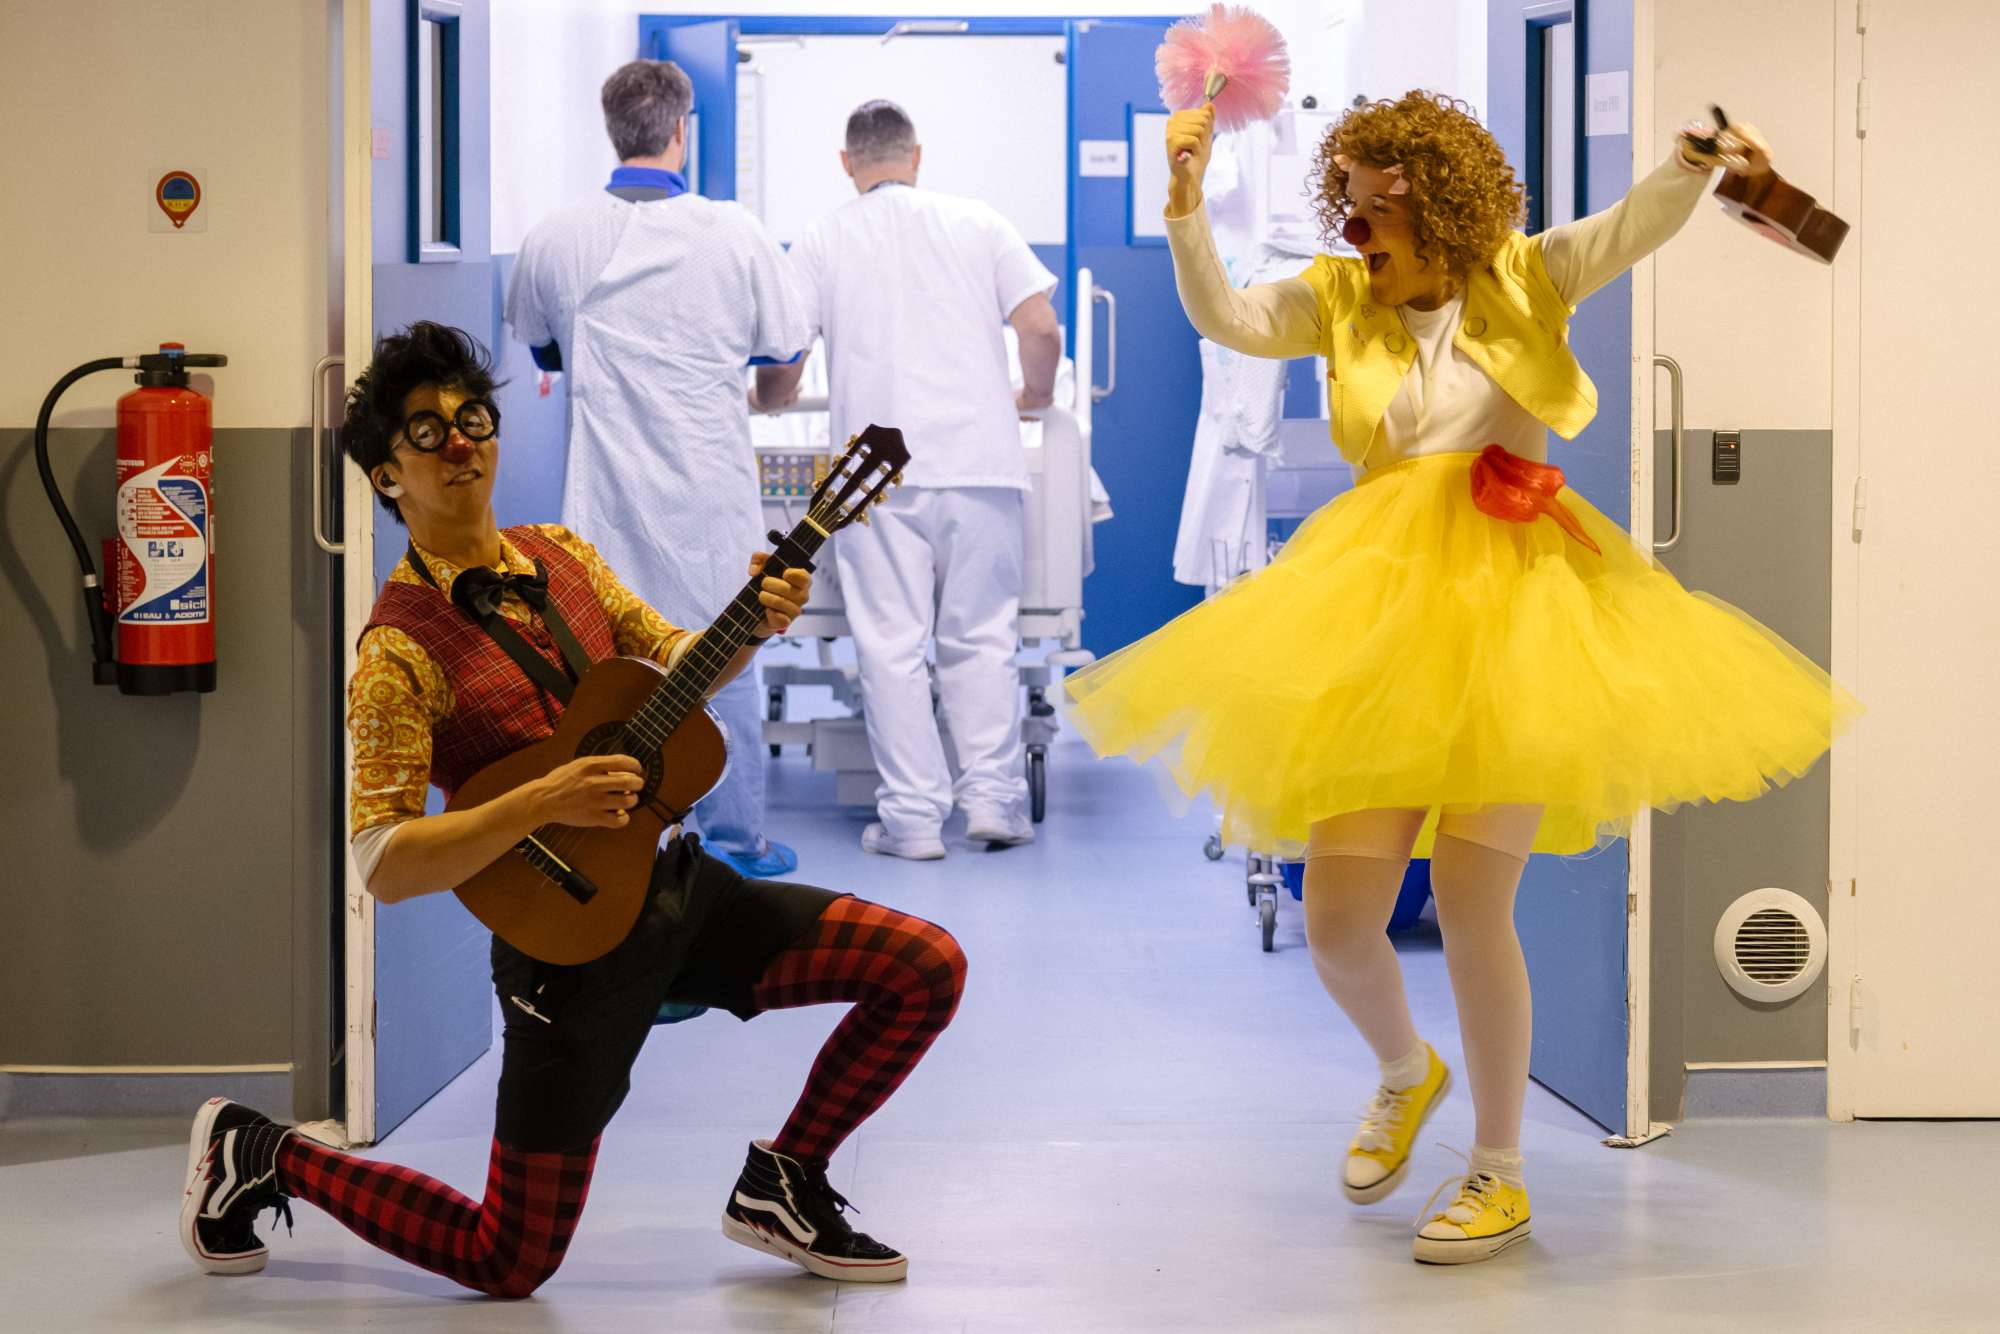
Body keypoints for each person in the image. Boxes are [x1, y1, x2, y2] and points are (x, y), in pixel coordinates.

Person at [1063, 93, 1857, 1264]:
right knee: (1336, 917)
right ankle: (1402, 1068)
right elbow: (1226, 317)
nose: (1361, 226)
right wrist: (1183, 207)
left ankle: (1498, 1168)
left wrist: (1695, 162)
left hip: (1516, 607)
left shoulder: (1525, 276)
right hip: (1373, 604)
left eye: (1383, 206)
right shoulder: (1333, 297)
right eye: (1352, 203)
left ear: (1441, 206)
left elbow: (1631, 225)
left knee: (1474, 901)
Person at [176, 322, 966, 1295]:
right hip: (564, 945)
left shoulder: (560, 555)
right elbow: (384, 859)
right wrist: (546, 796)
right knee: (506, 1260)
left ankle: (782, 1179)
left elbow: (675, 661)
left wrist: (751, 618)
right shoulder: (395, 651)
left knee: (923, 965)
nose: (460, 443)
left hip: (672, 889)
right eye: (427, 432)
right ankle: (261, 1149)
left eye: (473, 419)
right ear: (388, 476)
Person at [505, 58, 807, 879]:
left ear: (614, 129)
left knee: (610, 679)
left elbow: (544, 346)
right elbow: (786, 352)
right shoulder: (734, 233)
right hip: (710, 494)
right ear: (682, 131)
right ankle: (735, 851)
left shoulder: (554, 237)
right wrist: (766, 395)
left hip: (603, 500)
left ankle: (621, 849)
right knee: (729, 659)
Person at [757, 100, 1063, 860]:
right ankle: (993, 804)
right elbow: (1041, 328)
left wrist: (773, 398)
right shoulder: (979, 222)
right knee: (981, 636)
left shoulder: (824, 237)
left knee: (890, 644)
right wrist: (1038, 397)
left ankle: (912, 823)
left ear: (846, 162)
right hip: (980, 459)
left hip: (871, 474)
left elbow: (784, 358)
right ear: (916, 156)